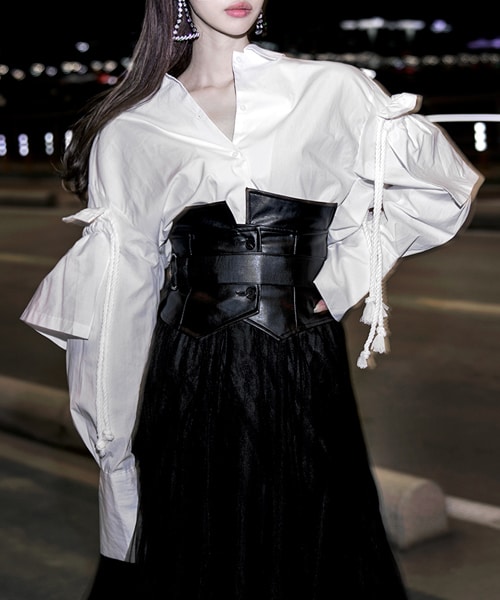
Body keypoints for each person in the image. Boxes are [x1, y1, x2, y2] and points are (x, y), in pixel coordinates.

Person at [21, 0, 483, 597]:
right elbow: (120, 301)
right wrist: (117, 458)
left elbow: (438, 189)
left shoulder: (331, 89)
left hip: (303, 365)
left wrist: (337, 278)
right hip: (187, 375)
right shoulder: (133, 128)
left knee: (314, 546)